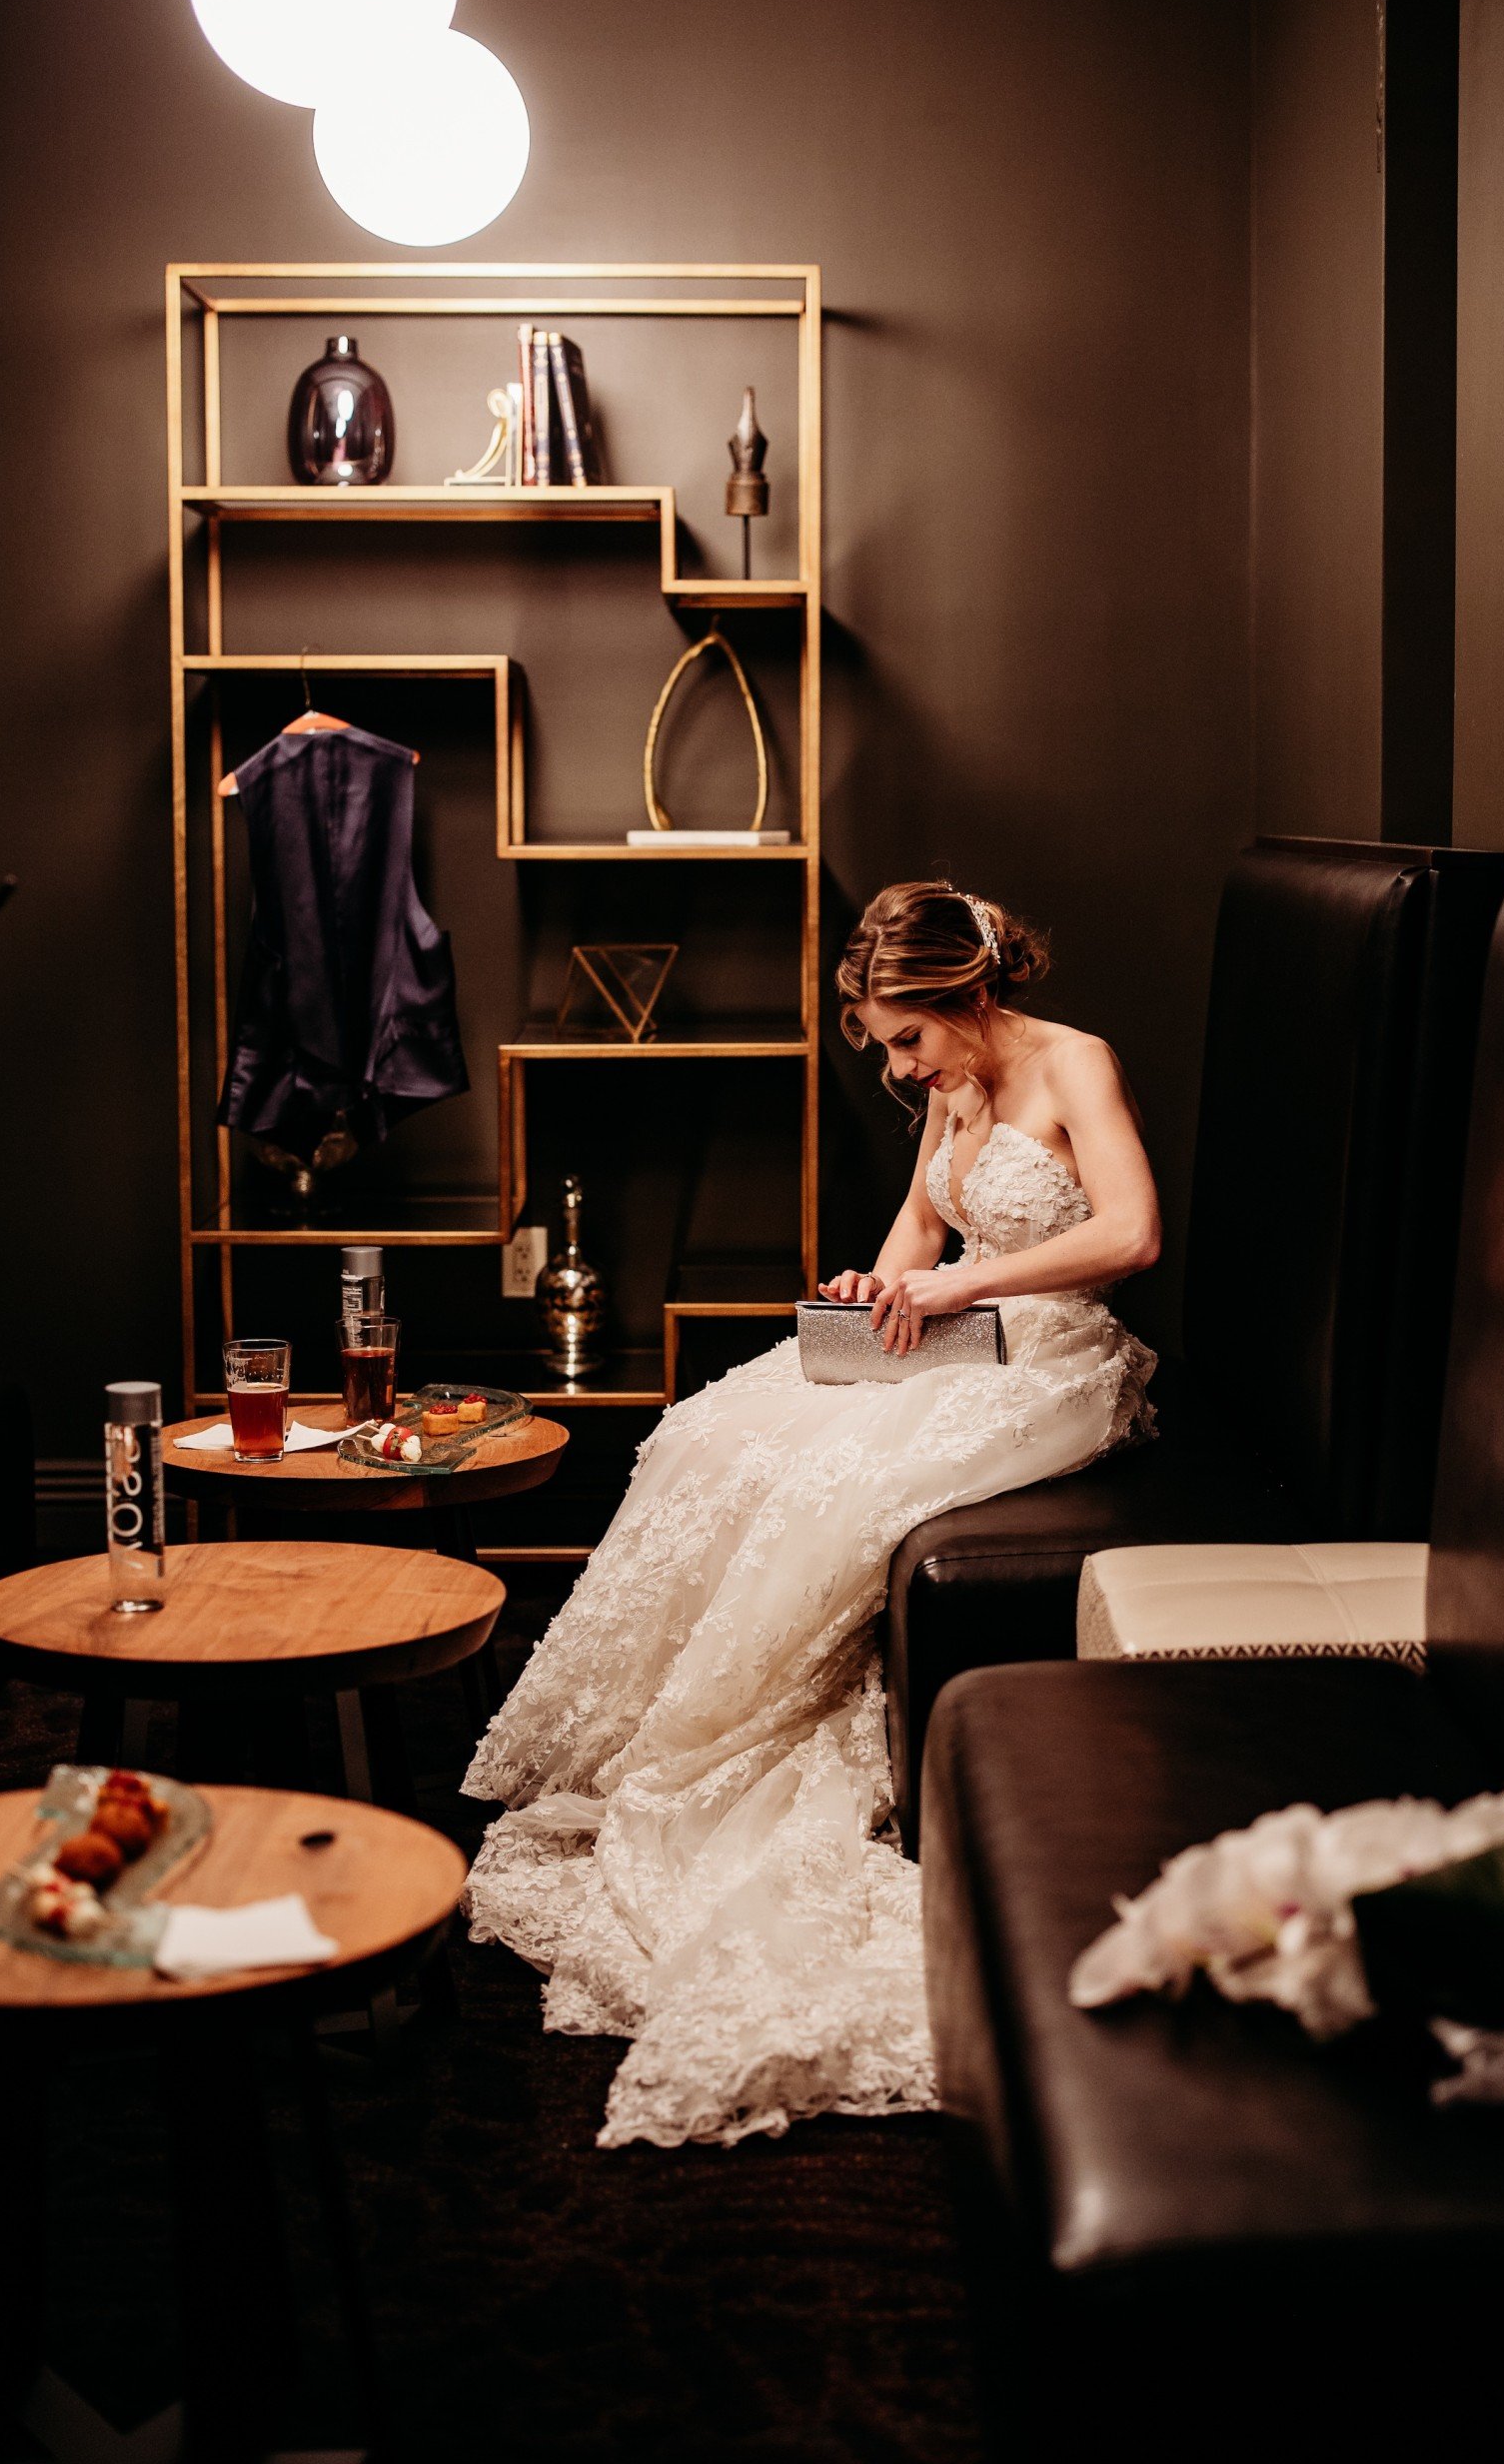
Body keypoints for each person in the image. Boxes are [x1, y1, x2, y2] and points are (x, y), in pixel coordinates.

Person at [463, 880, 1161, 2147]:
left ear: (974, 994)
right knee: (713, 1432)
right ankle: (662, 1729)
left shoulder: (1077, 1064)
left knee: (834, 1477)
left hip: (1056, 1357)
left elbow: (1131, 1233)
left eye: (911, 1038)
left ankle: (733, 1732)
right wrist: (872, 1285)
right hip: (958, 1329)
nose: (901, 1065)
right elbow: (914, 1228)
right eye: (888, 1042)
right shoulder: (949, 1086)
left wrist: (963, 1287)